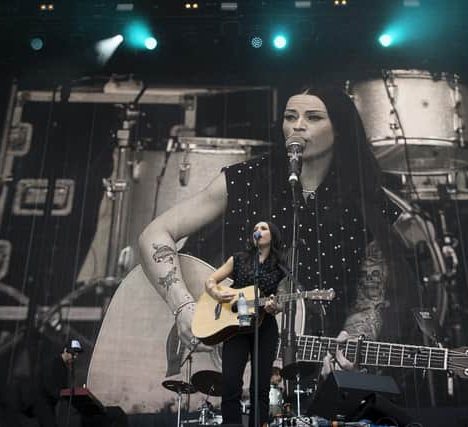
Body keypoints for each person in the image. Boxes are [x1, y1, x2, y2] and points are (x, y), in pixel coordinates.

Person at [138, 84, 415, 390]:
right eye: (290, 116)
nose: (297, 125)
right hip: (219, 356)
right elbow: (154, 234)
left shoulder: (364, 202)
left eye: (313, 118)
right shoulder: (244, 179)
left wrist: (352, 344)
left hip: (302, 376)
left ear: (340, 129)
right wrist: (184, 309)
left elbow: (369, 299)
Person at [203, 220, 285, 426]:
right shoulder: (238, 259)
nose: (258, 231)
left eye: (263, 228)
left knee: (260, 387)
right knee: (231, 382)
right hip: (235, 326)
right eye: (255, 228)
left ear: (272, 236)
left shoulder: (281, 267)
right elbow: (211, 280)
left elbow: (282, 299)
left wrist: (275, 307)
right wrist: (216, 293)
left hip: (264, 327)